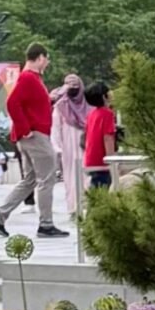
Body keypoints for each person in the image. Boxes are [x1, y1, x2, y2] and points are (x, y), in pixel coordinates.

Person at [0, 44, 67, 240]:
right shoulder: (28, 78)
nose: (47, 63)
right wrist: (25, 128)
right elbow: (12, 103)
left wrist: (49, 99)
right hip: (36, 136)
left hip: (32, 135)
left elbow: (29, 104)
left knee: (30, 180)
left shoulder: (33, 79)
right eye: (46, 59)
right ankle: (46, 224)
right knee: (46, 179)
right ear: (40, 58)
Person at [50, 74, 89, 218]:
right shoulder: (61, 105)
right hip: (68, 146)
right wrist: (58, 147)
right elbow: (55, 127)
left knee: (87, 174)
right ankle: (73, 208)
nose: (73, 89)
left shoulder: (88, 103)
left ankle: (87, 206)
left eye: (75, 85)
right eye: (69, 85)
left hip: (86, 144)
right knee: (70, 176)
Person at [83, 83, 118, 192]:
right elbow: (108, 138)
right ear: (104, 96)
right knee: (103, 189)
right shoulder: (107, 114)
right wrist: (112, 160)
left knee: (96, 186)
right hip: (101, 160)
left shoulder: (91, 114)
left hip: (91, 158)